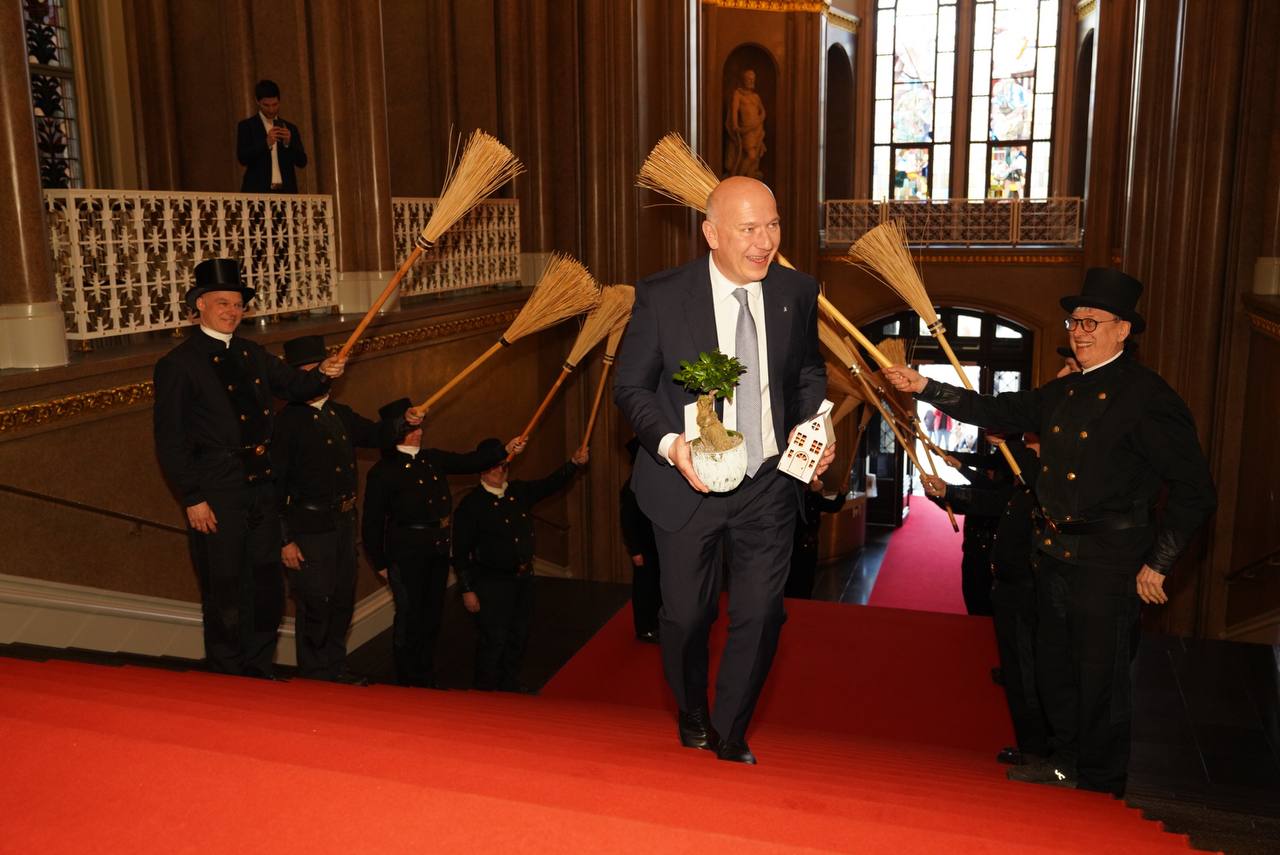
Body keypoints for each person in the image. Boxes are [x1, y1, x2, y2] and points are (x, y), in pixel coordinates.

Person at [884, 268, 1217, 796]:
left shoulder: (1148, 398)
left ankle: (1102, 782)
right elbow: (998, 410)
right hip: (1054, 551)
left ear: (1123, 330)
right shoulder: (1064, 391)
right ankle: (1064, 762)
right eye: (1074, 321)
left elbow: (1195, 488)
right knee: (1054, 668)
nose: (1079, 332)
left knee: (1100, 678)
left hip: (1111, 558)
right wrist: (925, 385)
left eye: (1091, 322)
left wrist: (1161, 560)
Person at [614, 175, 832, 765]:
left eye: (773, 225)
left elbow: (808, 372)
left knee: (762, 613)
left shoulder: (797, 291)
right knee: (686, 615)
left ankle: (730, 733)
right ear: (711, 233)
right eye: (748, 229)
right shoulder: (662, 296)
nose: (765, 241)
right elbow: (631, 385)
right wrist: (668, 444)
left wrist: (814, 427)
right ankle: (691, 707)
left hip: (769, 483)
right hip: (689, 482)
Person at [153, 258, 345, 678]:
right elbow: (170, 441)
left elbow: (294, 386)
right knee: (224, 587)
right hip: (216, 491)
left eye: (238, 304)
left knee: (266, 587)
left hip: (260, 486)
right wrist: (193, 497)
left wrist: (323, 375)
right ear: (199, 305)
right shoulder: (178, 364)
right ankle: (227, 673)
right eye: (222, 303)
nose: (232, 311)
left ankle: (259, 668)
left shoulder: (251, 352)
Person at [271, 335, 414, 684]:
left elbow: (377, 435)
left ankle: (334, 669)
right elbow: (272, 487)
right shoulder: (286, 423)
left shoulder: (340, 414)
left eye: (319, 371)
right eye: (307, 373)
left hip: (342, 525)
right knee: (315, 603)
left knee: (341, 600)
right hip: (308, 529)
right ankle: (315, 677)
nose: (316, 379)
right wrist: (284, 540)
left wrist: (405, 422)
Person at [361, 400, 524, 688]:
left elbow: (469, 461)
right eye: (412, 428)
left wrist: (504, 451)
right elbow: (372, 523)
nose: (419, 432)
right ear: (397, 432)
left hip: (435, 550)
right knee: (410, 616)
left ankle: (425, 675)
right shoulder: (383, 471)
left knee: (432, 614)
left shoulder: (432, 458)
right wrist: (381, 562)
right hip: (405, 553)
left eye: (419, 427)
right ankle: (407, 679)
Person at [926, 436, 1052, 765]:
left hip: (1027, 589)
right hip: (1012, 584)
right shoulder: (1028, 483)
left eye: (1033, 446)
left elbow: (995, 501)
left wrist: (951, 490)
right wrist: (949, 488)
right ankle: (1034, 746)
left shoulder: (1044, 485)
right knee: (1021, 670)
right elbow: (994, 496)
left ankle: (1037, 751)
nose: (1029, 450)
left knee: (1028, 674)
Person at [453, 443, 589, 693]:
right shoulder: (472, 505)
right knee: (494, 639)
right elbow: (460, 552)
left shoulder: (518, 492)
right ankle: (484, 692)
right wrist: (467, 589)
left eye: (503, 465)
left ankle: (510, 686)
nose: (500, 471)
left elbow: (549, 484)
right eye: (494, 467)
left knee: (519, 635)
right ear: (482, 471)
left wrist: (573, 464)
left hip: (523, 579)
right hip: (492, 583)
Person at [619, 438, 662, 642]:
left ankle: (657, 623)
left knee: (657, 586)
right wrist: (634, 550)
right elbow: (627, 521)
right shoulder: (631, 488)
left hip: (657, 546)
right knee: (644, 588)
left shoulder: (650, 482)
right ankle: (644, 628)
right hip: (643, 548)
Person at [237, 79, 307, 193]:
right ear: (257, 101)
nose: (271, 109)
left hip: (286, 193)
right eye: (266, 105)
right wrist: (266, 143)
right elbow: (243, 158)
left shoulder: (290, 128)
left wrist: (288, 143)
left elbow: (302, 162)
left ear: (279, 101)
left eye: (275, 104)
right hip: (257, 193)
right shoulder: (247, 126)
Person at [787, 476, 847, 599]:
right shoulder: (791, 497)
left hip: (810, 544)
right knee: (793, 577)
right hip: (793, 544)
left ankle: (804, 602)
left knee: (807, 577)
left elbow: (833, 506)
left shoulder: (814, 497)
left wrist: (841, 494)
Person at [725, 69, 766, 180]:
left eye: (753, 79)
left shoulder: (756, 97)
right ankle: (739, 178)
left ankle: (748, 176)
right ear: (743, 80)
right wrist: (735, 126)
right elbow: (734, 111)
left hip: (757, 129)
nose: (751, 81)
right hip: (746, 130)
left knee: (755, 156)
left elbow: (762, 111)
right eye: (749, 79)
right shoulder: (738, 94)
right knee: (751, 155)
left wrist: (759, 120)